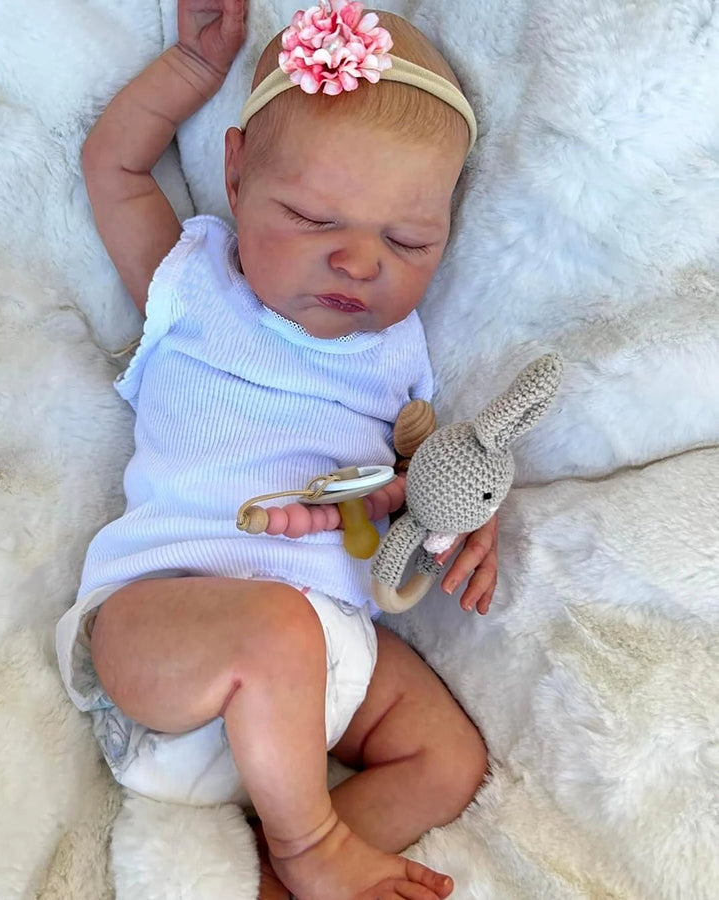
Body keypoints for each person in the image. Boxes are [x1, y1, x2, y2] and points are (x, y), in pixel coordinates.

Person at [57, 2, 497, 898]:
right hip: (163, 630)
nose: (360, 262)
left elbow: (418, 488)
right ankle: (311, 845)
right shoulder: (192, 287)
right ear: (236, 173)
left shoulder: (400, 359)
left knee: (449, 758)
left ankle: (275, 876)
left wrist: (466, 517)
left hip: (325, 661)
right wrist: (192, 67)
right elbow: (114, 166)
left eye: (407, 240)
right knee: (274, 628)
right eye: (311, 218)